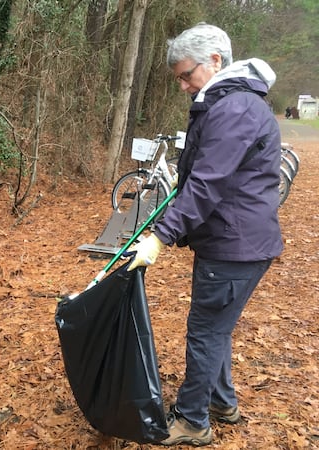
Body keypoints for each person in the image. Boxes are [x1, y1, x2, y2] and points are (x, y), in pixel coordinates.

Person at [128, 23, 283, 446]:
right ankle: (221, 401)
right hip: (236, 239)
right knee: (217, 328)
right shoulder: (230, 103)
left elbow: (206, 184)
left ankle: (193, 420)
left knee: (205, 331)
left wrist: (161, 237)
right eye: (178, 77)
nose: (182, 85)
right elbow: (201, 177)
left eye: (186, 75)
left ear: (215, 61)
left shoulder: (234, 109)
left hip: (234, 246)